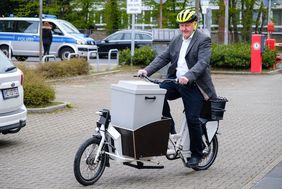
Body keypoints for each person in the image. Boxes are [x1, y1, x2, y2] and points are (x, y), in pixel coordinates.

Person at [137, 8, 217, 168]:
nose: (184, 29)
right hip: (176, 81)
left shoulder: (203, 40)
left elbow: (202, 63)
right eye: (181, 25)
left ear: (194, 24)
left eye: (187, 25)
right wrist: (146, 70)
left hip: (195, 85)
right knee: (156, 96)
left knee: (192, 118)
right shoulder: (177, 39)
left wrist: (188, 76)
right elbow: (163, 57)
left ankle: (197, 153)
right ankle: (171, 129)